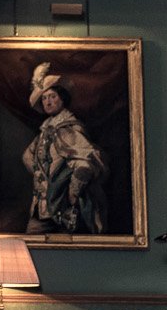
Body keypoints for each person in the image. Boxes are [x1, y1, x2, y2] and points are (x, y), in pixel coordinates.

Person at [21, 64, 106, 235]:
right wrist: (42, 177)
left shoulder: (68, 129)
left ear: (62, 99)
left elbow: (85, 164)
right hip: (41, 208)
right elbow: (27, 157)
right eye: (44, 98)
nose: (48, 101)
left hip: (64, 210)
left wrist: (71, 193)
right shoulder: (45, 131)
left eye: (52, 96)